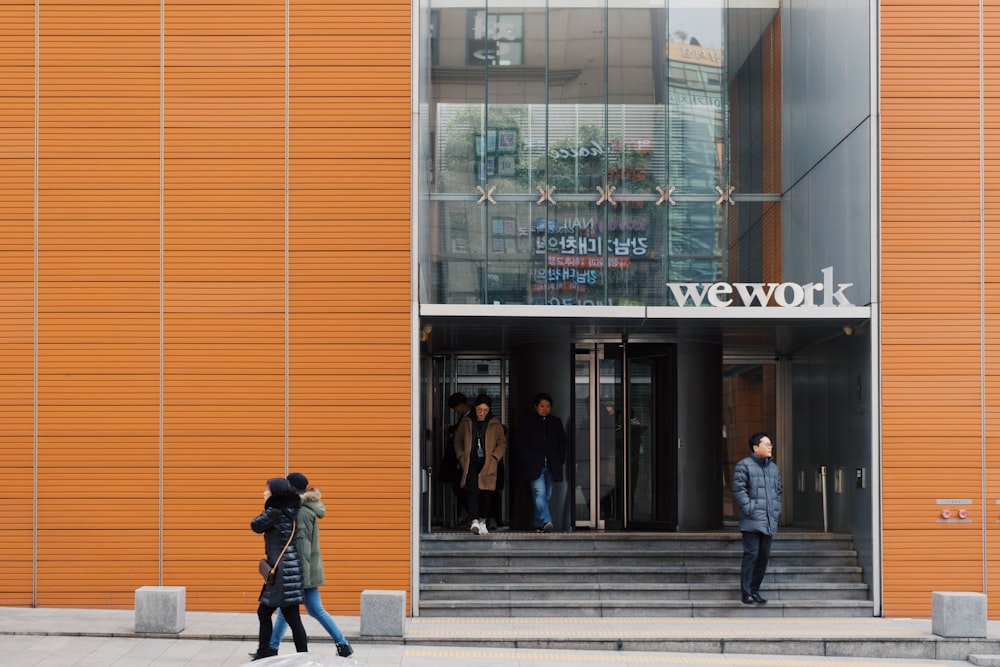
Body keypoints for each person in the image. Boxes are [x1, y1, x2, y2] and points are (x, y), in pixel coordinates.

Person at [268, 472, 354, 658]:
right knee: (287, 611)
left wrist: (302, 579)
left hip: (304, 571)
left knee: (314, 610)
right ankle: (271, 648)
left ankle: (342, 644)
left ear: (291, 488)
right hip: (303, 570)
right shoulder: (302, 508)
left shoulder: (302, 512)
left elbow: (303, 547)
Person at [249, 478, 308, 660]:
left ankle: (297, 656)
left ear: (275, 493)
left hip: (282, 572)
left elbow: (255, 525)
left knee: (284, 616)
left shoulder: (274, 511)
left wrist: (269, 505)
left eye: (266, 490)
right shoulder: (292, 510)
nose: (263, 493)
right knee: (280, 615)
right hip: (289, 568)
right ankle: (266, 652)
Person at [731, 432, 782, 605]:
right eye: (766, 444)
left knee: (763, 557)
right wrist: (749, 508)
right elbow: (739, 490)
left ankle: (755, 590)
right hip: (752, 520)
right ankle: (746, 593)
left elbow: (778, 491)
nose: (770, 447)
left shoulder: (773, 468)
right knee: (751, 555)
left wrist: (776, 510)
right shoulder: (744, 465)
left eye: (771, 444)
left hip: (768, 520)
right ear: (755, 447)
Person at [453, 393, 506, 535]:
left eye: (485, 410)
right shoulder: (466, 422)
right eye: (479, 410)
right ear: (475, 408)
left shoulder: (495, 424)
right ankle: (474, 521)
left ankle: (483, 520)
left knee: (486, 494)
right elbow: (457, 440)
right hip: (471, 462)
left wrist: (495, 457)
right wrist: (461, 456)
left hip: (488, 462)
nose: (482, 413)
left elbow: (502, 442)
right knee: (472, 491)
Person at [519, 392, 568, 532]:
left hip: (551, 466)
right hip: (534, 466)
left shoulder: (556, 422)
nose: (545, 409)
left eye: (548, 406)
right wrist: (527, 460)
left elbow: (562, 443)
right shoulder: (528, 422)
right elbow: (522, 444)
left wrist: (560, 460)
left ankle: (538, 523)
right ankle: (547, 520)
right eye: (542, 406)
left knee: (546, 496)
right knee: (539, 493)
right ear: (536, 406)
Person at [444, 392, 471, 527]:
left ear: (460, 405)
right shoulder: (463, 419)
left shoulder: (471, 417)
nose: (455, 411)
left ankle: (469, 513)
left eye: (455, 409)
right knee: (459, 486)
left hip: (468, 460)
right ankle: (467, 513)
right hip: (460, 461)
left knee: (463, 487)